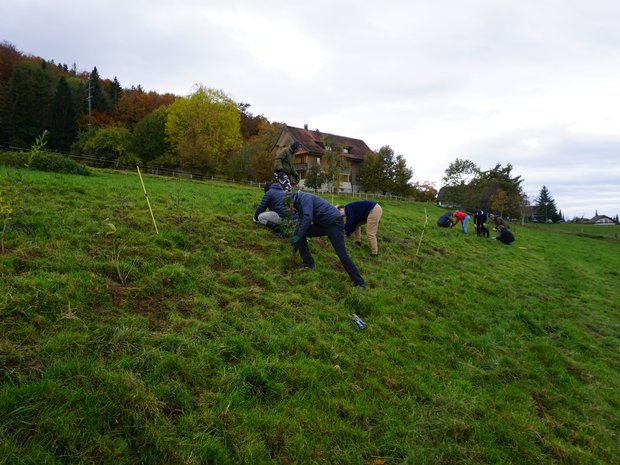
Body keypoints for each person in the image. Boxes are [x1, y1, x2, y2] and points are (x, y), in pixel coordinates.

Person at [289, 191, 365, 289]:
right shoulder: (299, 203)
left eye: (291, 206)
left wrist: (298, 236)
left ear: (294, 201)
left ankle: (360, 283)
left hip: (334, 223)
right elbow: (301, 222)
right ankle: (308, 263)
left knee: (341, 254)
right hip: (323, 224)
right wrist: (296, 242)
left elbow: (308, 217)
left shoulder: (305, 198)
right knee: (300, 232)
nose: (292, 209)